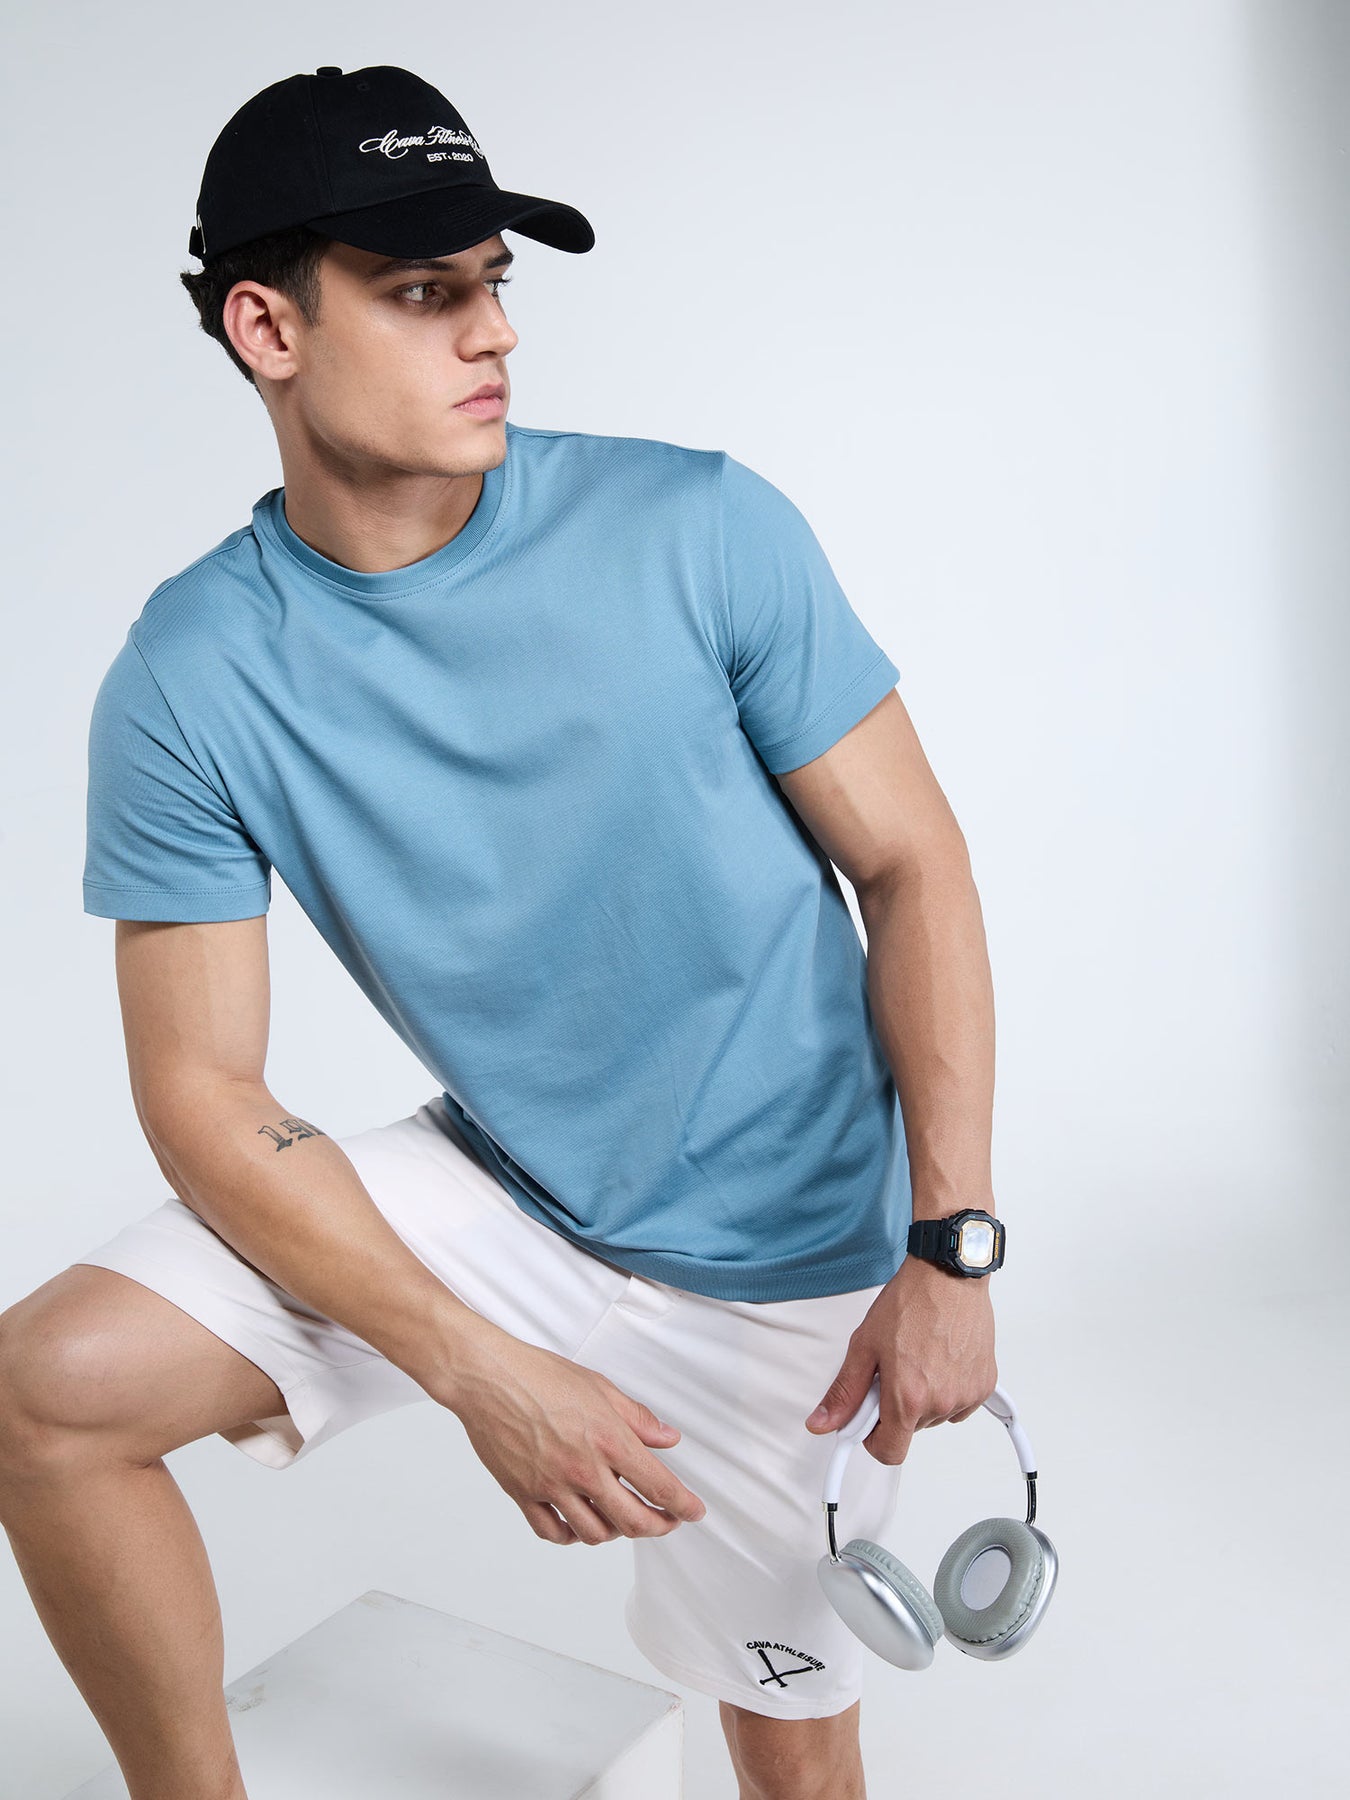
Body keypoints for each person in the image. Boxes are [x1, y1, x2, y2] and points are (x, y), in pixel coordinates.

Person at [0, 63, 1001, 1800]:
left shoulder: (699, 527)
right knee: (48, 1390)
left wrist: (951, 1246)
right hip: (511, 1196)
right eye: (420, 292)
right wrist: (476, 1368)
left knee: (792, 1755)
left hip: (787, 1262)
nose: (494, 334)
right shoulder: (190, 672)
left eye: (491, 282)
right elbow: (203, 1090)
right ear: (266, 327)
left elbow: (914, 866)